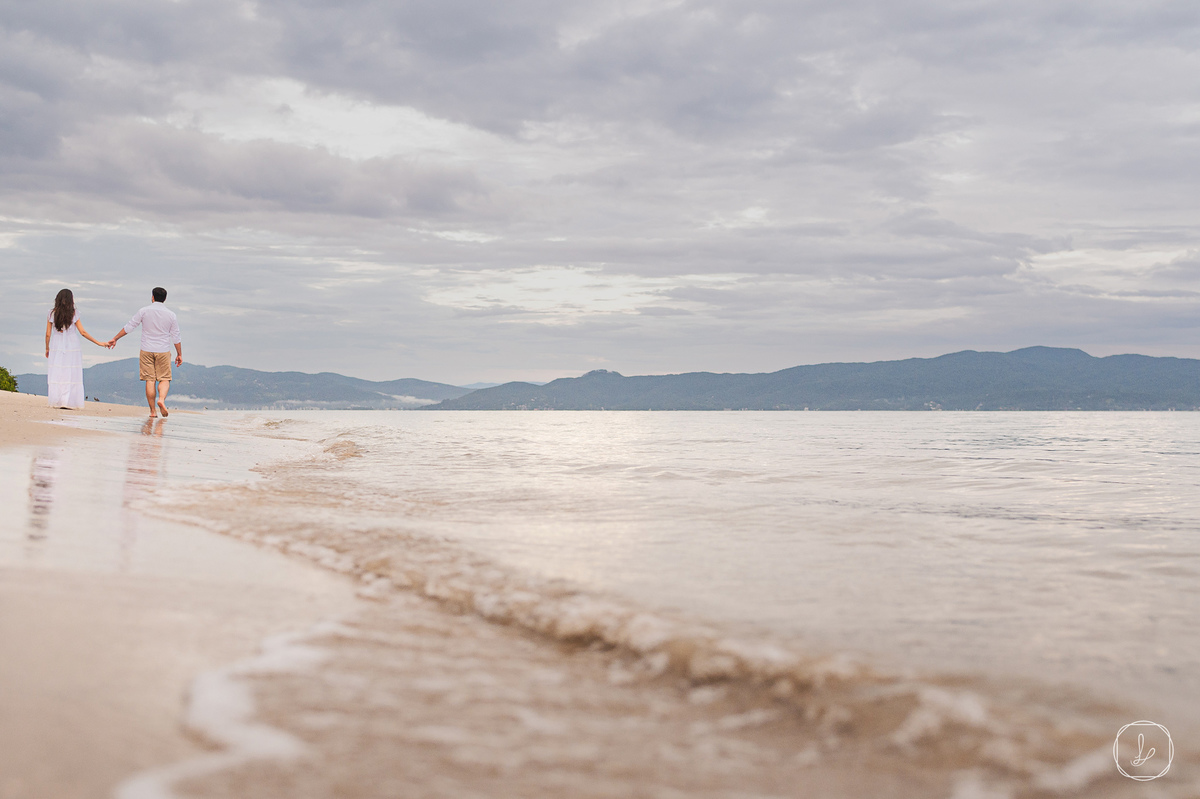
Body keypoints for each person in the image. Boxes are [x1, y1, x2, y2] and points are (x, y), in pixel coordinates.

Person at [108, 287, 183, 418]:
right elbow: (176, 336)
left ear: (152, 297)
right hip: (163, 350)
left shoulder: (144, 311)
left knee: (150, 380)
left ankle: (153, 412)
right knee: (164, 379)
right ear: (165, 299)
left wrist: (115, 338)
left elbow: (129, 326)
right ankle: (161, 400)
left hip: (146, 349)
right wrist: (179, 354)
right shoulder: (171, 315)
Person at [45, 288, 112, 410]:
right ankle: (67, 400)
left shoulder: (51, 313)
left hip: (56, 344)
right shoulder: (74, 313)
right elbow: (83, 332)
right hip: (72, 344)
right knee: (70, 372)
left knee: (58, 371)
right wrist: (98, 343)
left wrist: (47, 348)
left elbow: (48, 334)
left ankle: (58, 400)